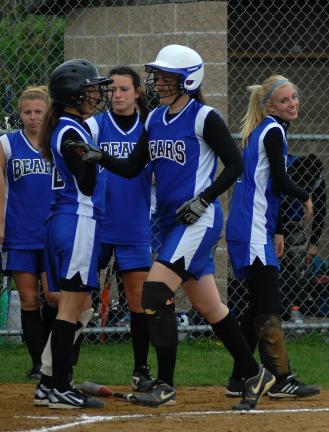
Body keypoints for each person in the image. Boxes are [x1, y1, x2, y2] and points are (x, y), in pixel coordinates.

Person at [66, 44, 276, 411]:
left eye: (166, 78)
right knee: (211, 307)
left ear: (188, 80)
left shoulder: (203, 116)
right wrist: (99, 156)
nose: (158, 83)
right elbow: (133, 168)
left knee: (152, 294)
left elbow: (234, 165)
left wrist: (204, 199)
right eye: (158, 77)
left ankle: (164, 384)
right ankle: (253, 372)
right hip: (169, 223)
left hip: (198, 219)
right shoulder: (154, 119)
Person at [225, 74, 320, 399]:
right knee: (269, 305)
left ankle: (239, 378)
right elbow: (279, 181)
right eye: (284, 100)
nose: (292, 104)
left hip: (253, 227)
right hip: (251, 228)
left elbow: (266, 186)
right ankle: (281, 379)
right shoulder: (273, 130)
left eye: (294, 97)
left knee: (256, 303)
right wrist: (306, 196)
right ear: (269, 106)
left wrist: (277, 229)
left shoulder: (262, 130)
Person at [33, 59, 112, 409]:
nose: (96, 95)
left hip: (68, 220)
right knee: (72, 307)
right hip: (77, 219)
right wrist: (92, 160)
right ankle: (60, 386)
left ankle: (49, 384)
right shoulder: (70, 130)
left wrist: (92, 156)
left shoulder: (69, 126)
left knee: (79, 307)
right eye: (91, 89)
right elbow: (86, 180)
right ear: (73, 94)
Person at [85, 66, 154, 391]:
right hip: (97, 221)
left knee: (137, 297)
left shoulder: (149, 127)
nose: (117, 95)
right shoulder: (96, 126)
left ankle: (141, 369)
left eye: (124, 89)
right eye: (112, 90)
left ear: (138, 92)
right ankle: (60, 369)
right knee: (79, 295)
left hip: (134, 222)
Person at [0, 86, 58, 380]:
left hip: (53, 233)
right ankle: (38, 363)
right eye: (27, 112)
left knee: (54, 296)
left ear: (48, 112)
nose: (33, 117)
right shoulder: (8, 144)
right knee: (28, 299)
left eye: (38, 111)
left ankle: (53, 359)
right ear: (19, 114)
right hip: (20, 232)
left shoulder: (58, 141)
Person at [279, 153, 327, 317]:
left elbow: (320, 208)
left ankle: (293, 310)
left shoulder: (316, 174)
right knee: (273, 266)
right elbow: (275, 205)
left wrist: (313, 243)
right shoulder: (284, 168)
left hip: (293, 222)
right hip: (269, 220)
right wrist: (278, 236)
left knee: (300, 266)